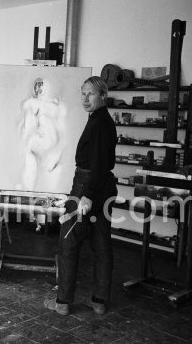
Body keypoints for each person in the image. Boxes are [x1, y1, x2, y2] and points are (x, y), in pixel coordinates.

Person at [45, 76, 117, 315]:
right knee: (101, 245)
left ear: (103, 96)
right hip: (104, 186)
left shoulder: (98, 123)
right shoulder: (104, 120)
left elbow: (96, 163)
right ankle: (99, 301)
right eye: (83, 93)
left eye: (91, 94)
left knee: (68, 242)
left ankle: (63, 303)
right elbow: (105, 163)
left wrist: (86, 195)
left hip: (88, 184)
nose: (85, 99)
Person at [18, 77, 66, 191]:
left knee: (49, 191)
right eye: (37, 86)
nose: (39, 89)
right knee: (29, 186)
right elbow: (24, 128)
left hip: (50, 150)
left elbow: (63, 134)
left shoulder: (55, 107)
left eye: (42, 86)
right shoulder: (29, 104)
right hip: (34, 147)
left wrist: (56, 154)